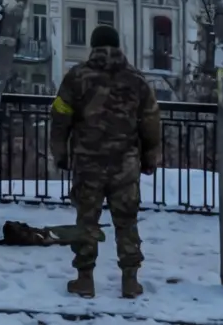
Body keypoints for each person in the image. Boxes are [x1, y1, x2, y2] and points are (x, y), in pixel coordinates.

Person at [51, 23, 161, 299]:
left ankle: (85, 280)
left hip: (88, 164)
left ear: (93, 46)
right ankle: (130, 281)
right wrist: (150, 156)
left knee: (86, 221)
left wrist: (60, 153)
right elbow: (150, 120)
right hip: (125, 164)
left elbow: (60, 116)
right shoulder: (137, 79)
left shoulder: (76, 77)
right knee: (127, 221)